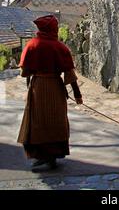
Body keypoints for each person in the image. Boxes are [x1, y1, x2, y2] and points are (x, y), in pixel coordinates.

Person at [17, 15, 83, 170]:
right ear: (53, 29)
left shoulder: (32, 45)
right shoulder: (61, 48)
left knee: (38, 122)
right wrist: (77, 94)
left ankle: (41, 156)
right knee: (56, 122)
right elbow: (70, 74)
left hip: (38, 88)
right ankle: (52, 156)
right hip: (56, 88)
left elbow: (24, 72)